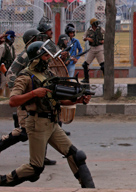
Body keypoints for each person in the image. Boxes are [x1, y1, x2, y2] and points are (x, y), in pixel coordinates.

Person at [0, 41, 95, 188]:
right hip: (37, 124)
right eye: (45, 56)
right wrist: (33, 93)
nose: (49, 59)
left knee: (75, 155)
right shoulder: (25, 76)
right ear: (36, 58)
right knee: (35, 168)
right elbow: (12, 101)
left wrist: (79, 100)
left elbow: (58, 100)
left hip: (52, 123)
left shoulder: (47, 74)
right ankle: (3, 180)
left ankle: (89, 188)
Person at [1, 29, 57, 165]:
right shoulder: (26, 55)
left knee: (49, 125)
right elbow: (10, 73)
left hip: (40, 97)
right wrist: (21, 88)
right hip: (28, 97)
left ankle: (41, 157)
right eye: (38, 38)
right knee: (24, 132)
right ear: (31, 40)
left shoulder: (40, 54)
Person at [81, 17, 105, 83]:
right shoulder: (89, 30)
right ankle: (86, 79)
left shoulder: (100, 29)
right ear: (92, 24)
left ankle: (106, 79)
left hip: (99, 48)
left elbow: (108, 33)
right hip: (92, 49)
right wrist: (88, 39)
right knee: (85, 65)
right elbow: (83, 37)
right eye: (95, 23)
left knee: (103, 66)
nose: (97, 24)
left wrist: (104, 40)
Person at [0, 30, 16, 97]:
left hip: (10, 68)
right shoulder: (3, 46)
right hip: (3, 68)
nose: (12, 39)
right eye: (11, 37)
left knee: (9, 83)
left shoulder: (12, 47)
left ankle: (7, 97)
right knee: (2, 83)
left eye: (13, 37)